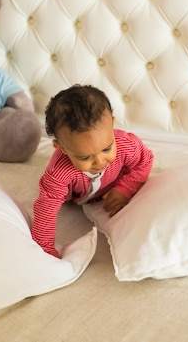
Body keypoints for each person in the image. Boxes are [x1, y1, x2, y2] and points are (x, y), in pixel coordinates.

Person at [31, 84, 154, 257]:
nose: (99, 162)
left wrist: (124, 189)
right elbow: (46, 209)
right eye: (84, 157)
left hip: (108, 187)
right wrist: (44, 247)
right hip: (74, 197)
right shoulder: (59, 172)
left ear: (112, 123)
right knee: (50, 193)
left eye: (106, 149)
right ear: (62, 148)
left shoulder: (127, 146)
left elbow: (145, 161)